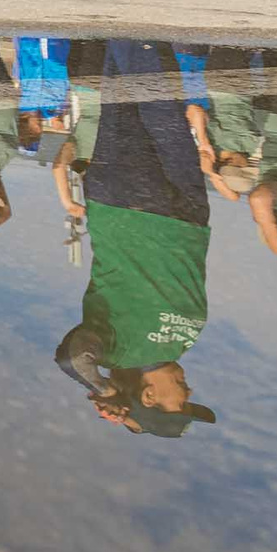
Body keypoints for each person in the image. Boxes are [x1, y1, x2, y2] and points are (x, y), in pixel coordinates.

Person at [53, 41, 218, 439]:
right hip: (186, 213)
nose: (189, 389)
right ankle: (134, 25)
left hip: (127, 207)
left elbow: (73, 359)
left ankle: (124, 21)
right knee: (160, 96)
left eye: (182, 400)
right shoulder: (183, 346)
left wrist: (108, 390)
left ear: (148, 396)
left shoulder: (114, 350)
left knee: (121, 102)